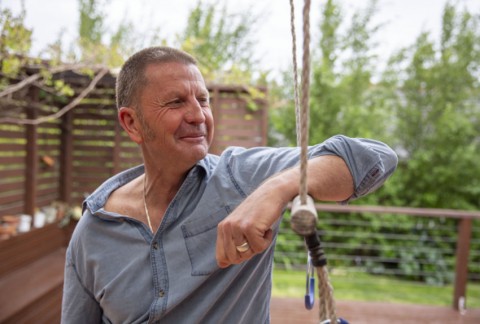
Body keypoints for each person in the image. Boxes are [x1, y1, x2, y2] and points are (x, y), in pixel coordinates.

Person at [61, 46, 398, 323]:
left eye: (203, 100)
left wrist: (276, 189)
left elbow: (374, 158)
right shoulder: (93, 232)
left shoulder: (241, 177)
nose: (198, 115)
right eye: (176, 102)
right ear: (131, 123)